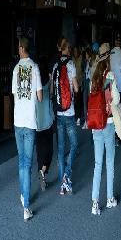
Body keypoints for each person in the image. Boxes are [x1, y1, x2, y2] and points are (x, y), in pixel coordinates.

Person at [12, 37, 42, 222]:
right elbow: (39, 97)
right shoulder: (35, 68)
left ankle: (24, 194)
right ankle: (26, 207)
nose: (18, 50)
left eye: (18, 47)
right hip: (30, 121)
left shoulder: (16, 69)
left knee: (21, 161)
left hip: (18, 120)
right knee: (28, 163)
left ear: (22, 48)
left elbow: (15, 95)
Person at [89, 42, 120, 215]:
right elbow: (116, 99)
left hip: (96, 124)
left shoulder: (94, 76)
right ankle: (109, 198)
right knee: (109, 162)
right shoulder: (110, 76)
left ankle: (95, 202)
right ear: (108, 59)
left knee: (97, 163)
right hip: (108, 122)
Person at [52, 39, 79, 195]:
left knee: (61, 148)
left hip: (59, 112)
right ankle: (67, 174)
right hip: (69, 112)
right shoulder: (71, 65)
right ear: (67, 49)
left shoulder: (55, 65)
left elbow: (52, 91)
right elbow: (76, 88)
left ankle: (62, 185)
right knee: (74, 144)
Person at [35, 55, 54, 191]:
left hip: (37, 121)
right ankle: (43, 170)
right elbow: (52, 94)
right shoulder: (48, 79)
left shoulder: (35, 80)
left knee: (40, 149)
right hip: (48, 120)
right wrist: (51, 80)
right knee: (49, 149)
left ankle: (41, 170)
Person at [110, 35, 121, 104]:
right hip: (120, 83)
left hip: (112, 82)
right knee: (120, 103)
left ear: (115, 42)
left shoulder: (111, 52)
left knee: (113, 103)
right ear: (120, 43)